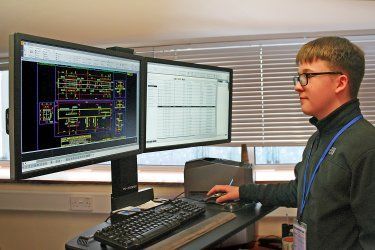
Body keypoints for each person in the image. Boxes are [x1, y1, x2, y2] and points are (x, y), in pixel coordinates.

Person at [207, 36, 375, 249]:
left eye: (307, 76)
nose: (298, 86)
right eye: (298, 77)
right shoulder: (319, 138)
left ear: (340, 82)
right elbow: (300, 191)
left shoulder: (367, 147)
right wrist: (243, 192)